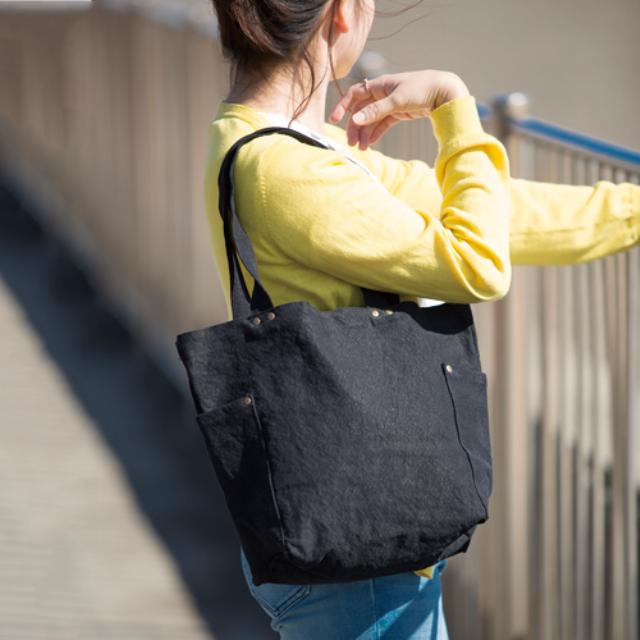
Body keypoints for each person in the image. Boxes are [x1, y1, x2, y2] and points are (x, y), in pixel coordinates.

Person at [205, 1, 640, 637]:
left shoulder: (272, 145)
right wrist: (452, 105)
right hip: (357, 557)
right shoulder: (288, 172)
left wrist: (630, 210)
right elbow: (477, 263)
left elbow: (492, 213)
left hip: (348, 534)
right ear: (342, 15)